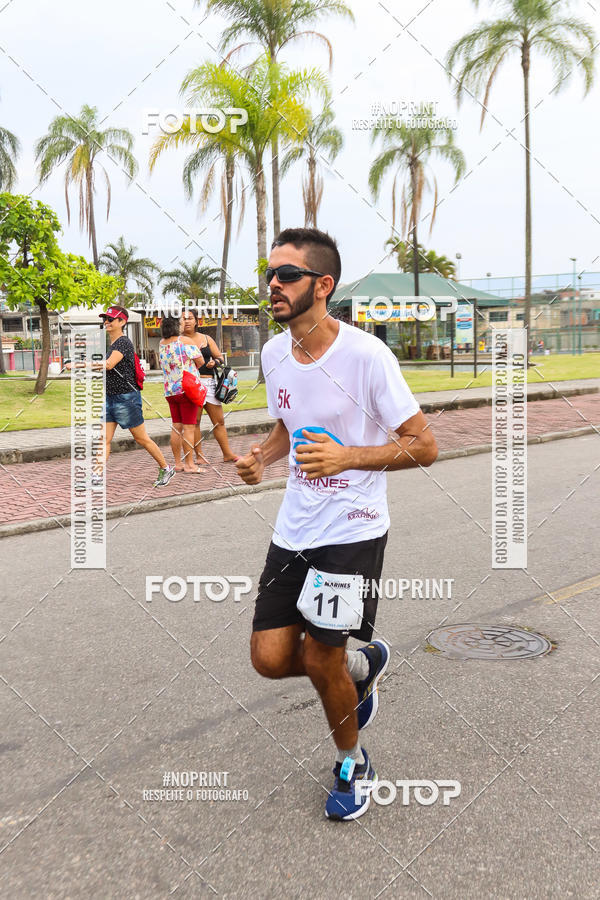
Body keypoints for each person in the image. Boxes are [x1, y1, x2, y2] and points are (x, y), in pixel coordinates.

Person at [236, 228, 438, 821]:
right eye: (270, 274)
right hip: (293, 528)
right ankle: (362, 664)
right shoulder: (275, 354)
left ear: (322, 286)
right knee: (270, 658)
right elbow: (286, 427)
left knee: (321, 658)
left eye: (288, 275)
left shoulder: (367, 356)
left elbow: (424, 446)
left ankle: (352, 761)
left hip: (352, 529)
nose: (274, 284)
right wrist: (261, 459)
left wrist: (348, 456)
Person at [94, 306, 174, 487]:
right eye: (105, 319)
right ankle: (96, 476)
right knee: (104, 439)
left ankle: (166, 467)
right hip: (111, 398)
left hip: (126, 398)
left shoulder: (123, 343)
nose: (106, 322)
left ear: (122, 322)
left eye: (110, 319)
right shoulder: (114, 344)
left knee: (141, 438)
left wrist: (78, 365)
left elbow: (108, 365)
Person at [180, 309, 238, 466]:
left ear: (196, 321)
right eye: (183, 318)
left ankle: (227, 453)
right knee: (195, 422)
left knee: (219, 421)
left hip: (210, 384)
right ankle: (199, 456)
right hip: (192, 385)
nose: (187, 321)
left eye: (190, 318)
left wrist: (215, 362)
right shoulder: (178, 341)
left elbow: (219, 357)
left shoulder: (206, 338)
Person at [158, 315, 206, 474]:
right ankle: (190, 464)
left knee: (176, 427)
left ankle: (178, 463)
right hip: (187, 389)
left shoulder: (162, 344)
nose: (183, 324)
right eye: (180, 323)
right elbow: (201, 362)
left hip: (170, 390)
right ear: (176, 326)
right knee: (189, 428)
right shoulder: (185, 341)